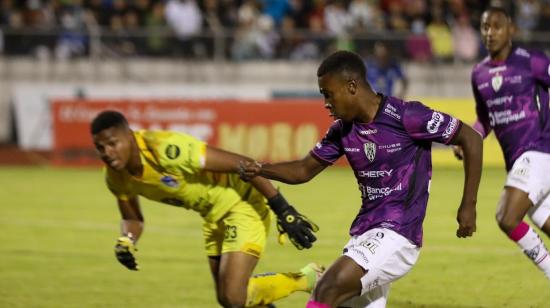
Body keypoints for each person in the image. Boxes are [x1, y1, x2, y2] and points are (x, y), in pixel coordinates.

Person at [239, 50, 483, 307]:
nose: (325, 103)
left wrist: (469, 204)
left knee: (327, 288)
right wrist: (261, 169)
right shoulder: (342, 131)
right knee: (333, 296)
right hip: (365, 234)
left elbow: (471, 139)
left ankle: (306, 281)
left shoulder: (406, 116)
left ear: (352, 86)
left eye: (328, 93)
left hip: (398, 234)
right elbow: (303, 170)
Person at [90, 110, 323, 308]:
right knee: (228, 299)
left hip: (242, 205)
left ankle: (307, 278)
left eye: (113, 144)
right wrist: (127, 240)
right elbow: (132, 218)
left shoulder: (166, 148)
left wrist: (283, 209)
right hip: (212, 217)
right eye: (100, 147)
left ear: (129, 137)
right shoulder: (115, 177)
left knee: (233, 296)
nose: (107, 153)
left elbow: (244, 164)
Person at [454, 6, 550, 280]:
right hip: (519, 160)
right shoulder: (479, 74)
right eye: (485, 27)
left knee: (507, 217)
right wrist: (468, 139)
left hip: (541, 149)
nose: (490, 32)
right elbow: (485, 118)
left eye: (497, 26)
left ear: (511, 30)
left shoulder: (532, 61)